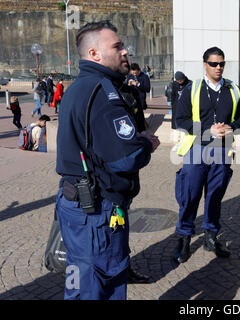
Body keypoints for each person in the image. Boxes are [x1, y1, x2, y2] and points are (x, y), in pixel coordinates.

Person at [55, 20, 160, 300]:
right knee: (95, 287)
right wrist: (145, 144)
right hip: (96, 212)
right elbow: (126, 157)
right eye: (117, 46)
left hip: (81, 206)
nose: (125, 51)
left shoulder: (80, 87)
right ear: (94, 54)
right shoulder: (103, 93)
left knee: (84, 283)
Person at [173, 46, 240, 263]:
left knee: (215, 196)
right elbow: (181, 119)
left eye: (222, 64)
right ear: (205, 64)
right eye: (214, 64)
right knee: (190, 196)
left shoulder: (233, 89)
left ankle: (211, 236)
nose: (219, 68)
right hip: (196, 148)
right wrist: (208, 131)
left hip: (223, 149)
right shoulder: (192, 88)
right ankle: (184, 238)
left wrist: (232, 128)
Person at [170, 71, 192, 149]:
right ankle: (177, 144)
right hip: (176, 107)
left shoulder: (189, 84)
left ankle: (183, 144)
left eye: (180, 80)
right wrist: (173, 105)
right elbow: (173, 95)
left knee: (184, 127)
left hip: (185, 108)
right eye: (178, 81)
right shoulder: (175, 84)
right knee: (176, 127)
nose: (179, 82)